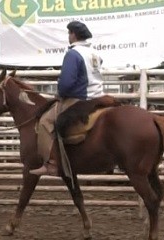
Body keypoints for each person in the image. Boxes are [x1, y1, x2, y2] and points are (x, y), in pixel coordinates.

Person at [30, 21, 105, 176]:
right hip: (98, 96)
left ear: (73, 35)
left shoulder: (73, 54)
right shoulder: (95, 54)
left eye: (69, 33)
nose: (68, 37)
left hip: (80, 98)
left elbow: (67, 82)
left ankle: (51, 163)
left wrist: (61, 93)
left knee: (45, 121)